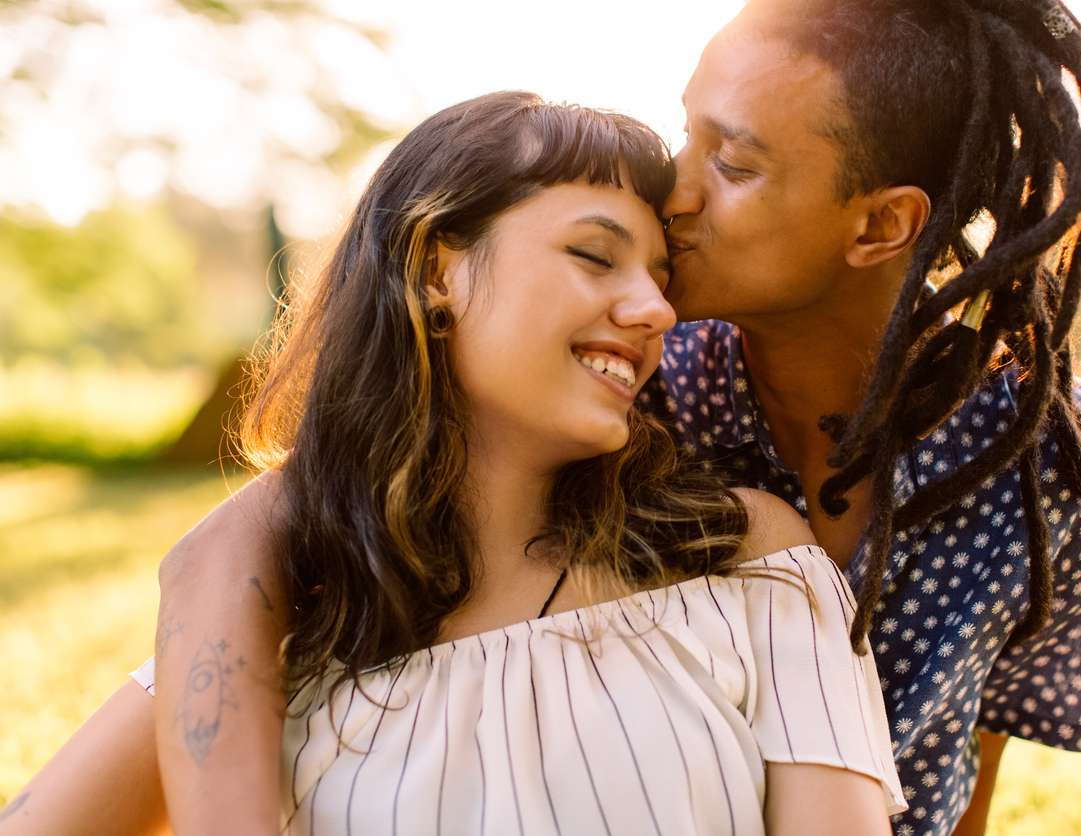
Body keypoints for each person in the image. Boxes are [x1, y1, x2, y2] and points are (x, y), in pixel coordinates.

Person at [0, 91, 905, 836]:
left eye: (661, 280)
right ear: (437, 269)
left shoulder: (748, 563)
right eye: (595, 255)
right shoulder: (288, 620)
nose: (655, 310)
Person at [646, 1, 1081, 834]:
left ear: (883, 224)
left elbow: (972, 773)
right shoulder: (633, 398)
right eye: (684, 133)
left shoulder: (1054, 468)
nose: (672, 190)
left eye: (733, 165)